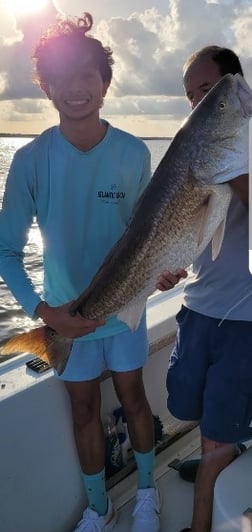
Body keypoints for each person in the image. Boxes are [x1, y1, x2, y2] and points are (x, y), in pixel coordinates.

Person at [0, 12, 162, 532]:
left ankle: (148, 495)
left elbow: (151, 235)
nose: (76, 89)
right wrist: (47, 315)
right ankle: (99, 506)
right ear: (46, 87)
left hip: (127, 312)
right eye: (62, 78)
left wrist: (164, 273)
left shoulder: (134, 153)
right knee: (84, 410)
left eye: (87, 75)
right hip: (65, 319)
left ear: (105, 83)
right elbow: (6, 250)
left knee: (135, 397)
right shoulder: (29, 159)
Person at [157, 46, 251, 532]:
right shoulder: (199, 152)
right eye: (189, 95)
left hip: (242, 321)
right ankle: (230, 450)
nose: (196, 102)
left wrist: (234, 171)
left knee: (216, 437)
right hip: (196, 310)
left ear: (236, 86)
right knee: (189, 408)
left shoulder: (240, 147)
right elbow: (191, 232)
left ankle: (199, 526)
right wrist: (170, 266)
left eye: (206, 91)